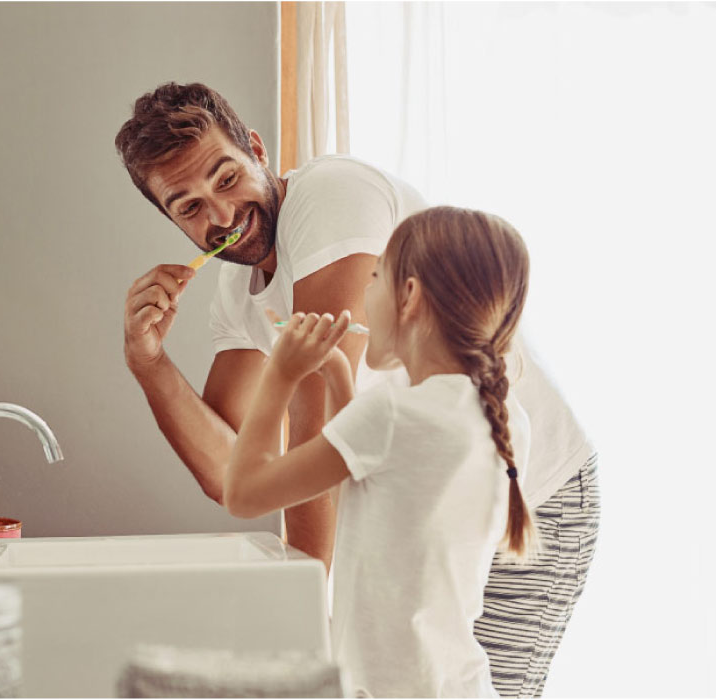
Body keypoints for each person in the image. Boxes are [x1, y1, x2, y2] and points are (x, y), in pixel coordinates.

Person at [115, 82, 599, 697]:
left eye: (226, 178)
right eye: (188, 207)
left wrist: (306, 630)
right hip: (426, 511)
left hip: (533, 494)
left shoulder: (330, 197)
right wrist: (148, 362)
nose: (221, 216)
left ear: (257, 150)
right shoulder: (238, 297)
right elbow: (229, 468)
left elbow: (305, 427)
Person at [225, 206, 533, 696]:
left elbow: (242, 493)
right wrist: (339, 379)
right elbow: (367, 509)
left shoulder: (391, 415)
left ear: (408, 295)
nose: (365, 294)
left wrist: (280, 374)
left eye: (375, 277)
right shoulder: (502, 415)